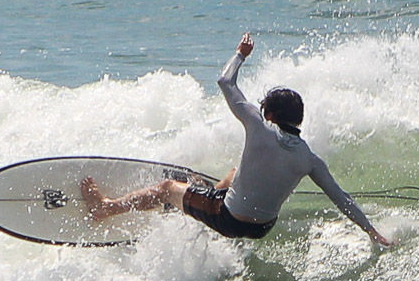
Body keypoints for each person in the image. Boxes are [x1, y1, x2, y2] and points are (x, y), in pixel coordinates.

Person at [81, 33, 393, 246]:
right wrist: (371, 231)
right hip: (260, 229)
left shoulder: (258, 126)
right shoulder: (309, 158)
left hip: (228, 218)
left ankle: (105, 208)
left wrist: (240, 55)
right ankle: (205, 195)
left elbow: (224, 80)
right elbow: (341, 198)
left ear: (269, 114)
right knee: (234, 172)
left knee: (165, 188)